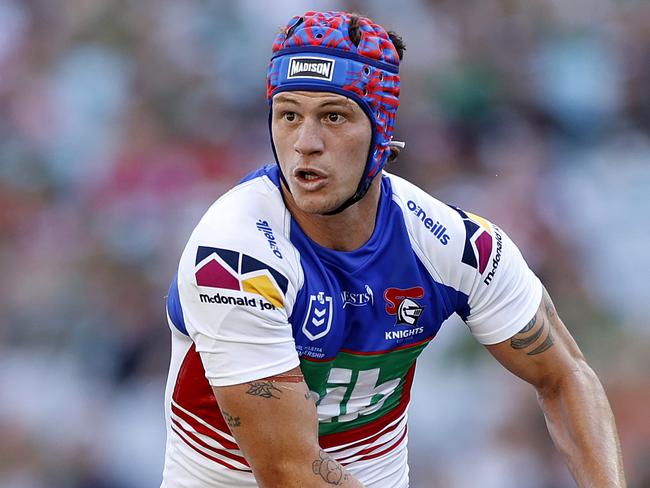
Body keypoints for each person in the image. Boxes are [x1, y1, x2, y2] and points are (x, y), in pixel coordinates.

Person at [161, 10, 626, 488]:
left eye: (334, 116)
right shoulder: (234, 256)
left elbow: (566, 376)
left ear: (381, 132)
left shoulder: (454, 245)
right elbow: (288, 471)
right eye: (289, 115)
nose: (305, 143)